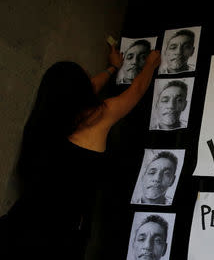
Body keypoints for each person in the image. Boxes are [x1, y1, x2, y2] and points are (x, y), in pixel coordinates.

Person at [0, 43, 161, 260]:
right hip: (56, 243)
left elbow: (78, 90)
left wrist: (112, 69)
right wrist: (151, 63)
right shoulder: (98, 119)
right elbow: (137, 90)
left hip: (17, 229)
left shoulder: (44, 122)